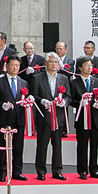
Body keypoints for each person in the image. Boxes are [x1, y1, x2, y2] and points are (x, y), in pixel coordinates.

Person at [32, 52, 71, 180]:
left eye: (56, 62)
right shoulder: (38, 78)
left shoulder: (63, 79)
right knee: (42, 145)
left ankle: (57, 170)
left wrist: (63, 102)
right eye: (52, 62)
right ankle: (41, 171)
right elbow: (34, 96)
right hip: (44, 117)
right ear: (46, 63)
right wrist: (43, 101)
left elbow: (68, 96)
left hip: (58, 118)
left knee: (58, 145)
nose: (54, 64)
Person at [0, 54, 28, 182]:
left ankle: (17, 171)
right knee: (3, 147)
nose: (14, 68)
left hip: (19, 119)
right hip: (4, 119)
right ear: (7, 66)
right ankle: (2, 172)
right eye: (12, 65)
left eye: (17, 65)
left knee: (18, 147)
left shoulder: (23, 82)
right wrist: (3, 105)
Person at [70, 56, 98, 180]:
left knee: (94, 146)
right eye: (86, 65)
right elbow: (71, 100)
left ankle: (94, 169)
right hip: (82, 119)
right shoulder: (74, 82)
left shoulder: (97, 81)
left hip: (95, 118)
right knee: (82, 145)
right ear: (80, 67)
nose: (89, 67)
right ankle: (82, 170)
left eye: (90, 65)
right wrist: (80, 102)